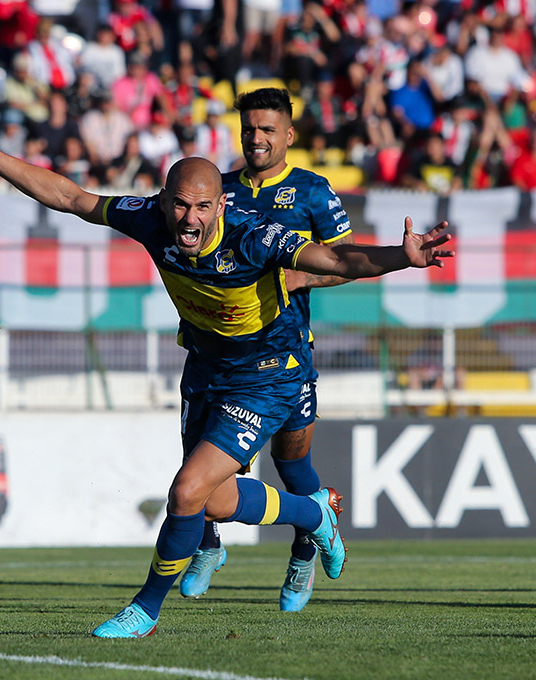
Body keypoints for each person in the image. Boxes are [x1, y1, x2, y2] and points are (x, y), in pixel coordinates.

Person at [0, 104, 452, 638]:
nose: (190, 219)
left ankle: (145, 609)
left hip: (268, 374)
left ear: (221, 204)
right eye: (180, 206)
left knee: (185, 491)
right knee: (215, 502)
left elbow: (338, 262)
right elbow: (71, 198)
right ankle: (311, 515)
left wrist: (400, 256)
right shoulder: (150, 219)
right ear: (163, 203)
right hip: (205, 369)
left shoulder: (256, 238)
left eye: (203, 206)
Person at [178, 86, 356, 613]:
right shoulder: (218, 191)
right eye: (250, 128)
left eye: (268, 130)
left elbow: (343, 261)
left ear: (289, 136)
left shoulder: (311, 191)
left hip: (284, 358)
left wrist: (299, 277)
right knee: (197, 463)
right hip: (212, 354)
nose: (257, 138)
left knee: (291, 463)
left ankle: (305, 550)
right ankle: (207, 547)